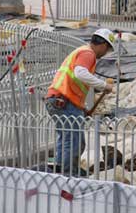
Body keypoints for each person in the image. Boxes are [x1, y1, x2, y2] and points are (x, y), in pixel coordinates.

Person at [45, 29, 115, 176]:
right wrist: (103, 85)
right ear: (102, 44)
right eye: (107, 49)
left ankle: (60, 170)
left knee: (67, 139)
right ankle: (69, 174)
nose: (105, 53)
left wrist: (81, 108)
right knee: (73, 141)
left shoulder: (82, 52)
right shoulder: (88, 53)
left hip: (60, 100)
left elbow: (76, 82)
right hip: (63, 101)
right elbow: (80, 73)